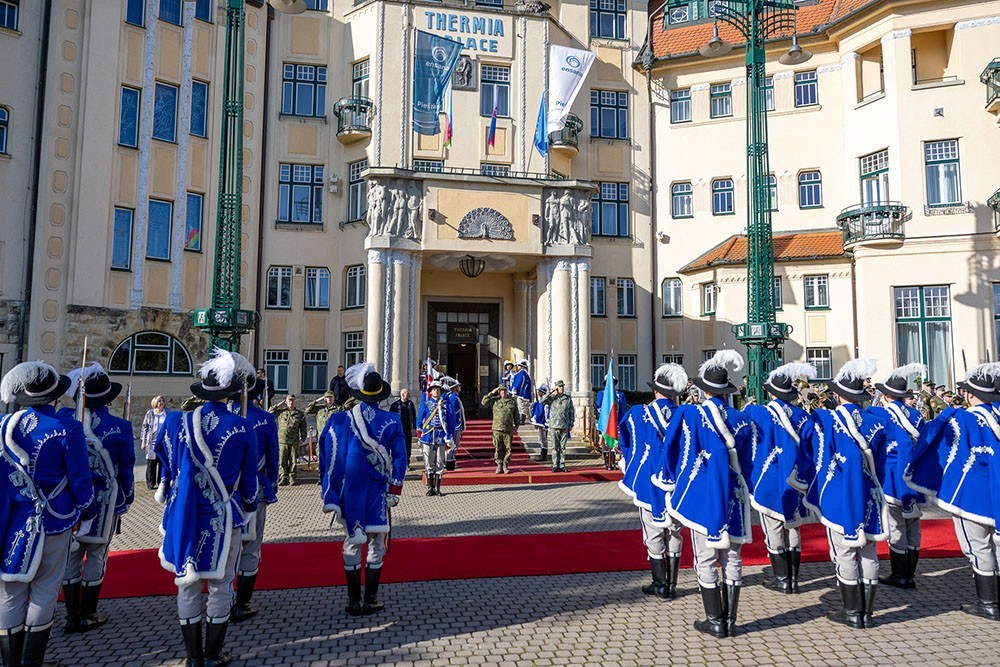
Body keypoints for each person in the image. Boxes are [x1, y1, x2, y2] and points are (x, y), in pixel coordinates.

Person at [155, 348, 259, 667]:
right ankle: (213, 654)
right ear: (230, 393)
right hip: (223, 516)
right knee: (221, 585)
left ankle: (192, 657)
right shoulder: (242, 428)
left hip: (183, 513)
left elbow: (163, 462)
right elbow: (250, 484)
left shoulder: (175, 421)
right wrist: (250, 506)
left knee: (187, 585)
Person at [0, 361, 93, 667]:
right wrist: (86, 507)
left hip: (13, 520)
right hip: (56, 518)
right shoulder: (68, 427)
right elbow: (80, 479)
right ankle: (31, 662)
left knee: (11, 592)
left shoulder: (4, 426)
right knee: (44, 590)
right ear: (54, 396)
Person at [660, 351, 754, 638]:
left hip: (700, 493)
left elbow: (670, 448)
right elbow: (748, 460)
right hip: (734, 495)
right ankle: (731, 620)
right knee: (733, 557)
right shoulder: (742, 419)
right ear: (726, 392)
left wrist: (670, 478)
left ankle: (714, 620)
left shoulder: (689, 413)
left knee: (705, 557)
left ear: (703, 390)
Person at [791, 358, 887, 630]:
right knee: (869, 549)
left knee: (845, 551)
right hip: (870, 491)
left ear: (838, 396)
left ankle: (852, 612)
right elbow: (880, 461)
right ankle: (867, 612)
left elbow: (807, 440)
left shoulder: (827, 421)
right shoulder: (877, 422)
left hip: (838, 492)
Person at [903, 362, 1000, 621]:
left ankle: (988, 603)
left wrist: (947, 414)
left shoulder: (964, 419)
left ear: (970, 394)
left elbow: (934, 436)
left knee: (978, 546)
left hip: (973, 495)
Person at [319, 363, 407, 616]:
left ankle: (353, 601)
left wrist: (330, 487)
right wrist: (396, 491)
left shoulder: (339, 419)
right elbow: (400, 458)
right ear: (380, 395)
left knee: (351, 541)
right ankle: (371, 599)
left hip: (350, 491)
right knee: (376, 542)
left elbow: (327, 455)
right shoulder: (392, 421)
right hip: (378, 492)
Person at [57, 364, 136, 634]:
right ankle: (88, 612)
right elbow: (126, 467)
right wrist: (127, 495)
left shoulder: (65, 420)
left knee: (71, 555)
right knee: (97, 555)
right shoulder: (120, 426)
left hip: (69, 498)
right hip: (104, 497)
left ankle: (71, 614)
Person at [743, 363, 817, 595]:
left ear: (772, 393)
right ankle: (794, 578)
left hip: (767, 476)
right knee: (792, 525)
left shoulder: (758, 412)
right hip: (795, 477)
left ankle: (782, 578)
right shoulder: (803, 416)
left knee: (773, 527)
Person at [619, 363, 688, 600]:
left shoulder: (639, 413)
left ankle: (659, 584)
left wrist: (628, 461)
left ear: (656, 391)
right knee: (675, 531)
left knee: (653, 530)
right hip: (678, 482)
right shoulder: (686, 415)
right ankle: (672, 584)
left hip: (649, 481)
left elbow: (623, 436)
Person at [868, 363, 927, 590]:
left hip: (891, 476)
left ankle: (900, 575)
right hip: (913, 476)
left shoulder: (880, 414)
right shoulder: (916, 415)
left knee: (896, 526)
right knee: (913, 524)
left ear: (886, 394)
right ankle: (910, 574)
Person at [230, 370, 280, 624]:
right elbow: (273, 457)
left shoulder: (225, 418)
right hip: (255, 489)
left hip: (224, 493)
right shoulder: (265, 419)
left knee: (228, 547)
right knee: (251, 545)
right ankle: (242, 603)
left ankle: (223, 600)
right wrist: (273, 484)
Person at [417, 380, 454, 496]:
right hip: (428, 435)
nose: (436, 391)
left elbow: (450, 421)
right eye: (434, 389)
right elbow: (419, 420)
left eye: (438, 389)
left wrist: (450, 436)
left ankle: (437, 488)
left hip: (441, 435)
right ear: (430, 391)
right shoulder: (426, 403)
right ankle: (430, 487)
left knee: (440, 461)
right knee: (428, 460)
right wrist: (419, 435)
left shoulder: (446, 404)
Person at [481, 385, 519, 474]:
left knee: (508, 448)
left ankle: (505, 464)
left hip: (508, 428)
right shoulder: (495, 400)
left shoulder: (512, 401)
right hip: (497, 428)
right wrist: (492, 392)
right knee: (498, 448)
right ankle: (499, 464)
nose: (503, 392)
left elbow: (516, 415)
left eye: (505, 391)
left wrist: (516, 426)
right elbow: (483, 402)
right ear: (499, 392)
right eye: (501, 391)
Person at [272, 394, 307, 486]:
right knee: (282, 460)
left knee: (293, 460)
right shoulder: (281, 412)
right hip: (282, 441)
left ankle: (292, 477)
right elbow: (270, 412)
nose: (291, 402)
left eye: (292, 401)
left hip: (294, 441)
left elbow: (303, 427)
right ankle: (283, 477)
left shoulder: (299, 414)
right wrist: (279, 405)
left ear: (295, 402)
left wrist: (303, 438)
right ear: (286, 402)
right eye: (289, 401)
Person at [542, 380, 575, 473]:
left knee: (562, 447)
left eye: (562, 386)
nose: (561, 388)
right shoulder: (552, 398)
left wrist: (571, 423)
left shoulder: (567, 398)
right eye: (560, 387)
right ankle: (555, 465)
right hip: (553, 426)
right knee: (554, 447)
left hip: (564, 425)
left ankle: (562, 465)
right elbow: (541, 401)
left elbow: (571, 411)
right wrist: (551, 392)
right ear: (556, 388)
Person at [596, 378, 628, 470]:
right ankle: (607, 463)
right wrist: (605, 417)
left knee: (614, 444)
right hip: (606, 423)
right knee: (606, 443)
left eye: (613, 383)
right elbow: (598, 407)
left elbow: (622, 409)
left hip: (616, 423)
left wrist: (621, 422)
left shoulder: (620, 395)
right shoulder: (602, 394)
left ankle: (613, 463)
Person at [141, 396, 168, 490]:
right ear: (155, 403)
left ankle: (161, 482)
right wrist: (143, 441)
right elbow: (145, 427)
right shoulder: (150, 413)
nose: (161, 402)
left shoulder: (166, 413)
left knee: (162, 462)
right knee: (151, 463)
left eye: (163, 401)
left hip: (163, 442)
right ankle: (150, 483)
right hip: (151, 442)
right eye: (159, 401)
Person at [388, 388, 418, 465]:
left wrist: (414, 427)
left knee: (407, 446)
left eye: (407, 393)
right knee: (397, 446)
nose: (407, 395)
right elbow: (391, 417)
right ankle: (396, 462)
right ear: (401, 394)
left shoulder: (410, 404)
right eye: (405, 393)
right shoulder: (395, 405)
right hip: (398, 429)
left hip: (408, 429)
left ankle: (407, 462)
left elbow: (414, 416)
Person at [444, 378, 466, 471]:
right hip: (455, 425)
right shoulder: (453, 397)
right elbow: (452, 413)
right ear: (453, 387)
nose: (460, 387)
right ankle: (449, 464)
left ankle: (449, 462)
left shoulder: (454, 396)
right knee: (452, 446)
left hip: (456, 424)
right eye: (458, 386)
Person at [509, 360, 534, 424]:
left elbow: (519, 382)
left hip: (522, 393)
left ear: (522, 366)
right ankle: (521, 420)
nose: (518, 367)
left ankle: (521, 420)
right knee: (522, 407)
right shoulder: (524, 373)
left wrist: (515, 389)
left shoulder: (522, 373)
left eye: (519, 365)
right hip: (523, 393)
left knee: (522, 406)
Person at [530, 385, 550, 463]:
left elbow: (545, 412)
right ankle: (542, 453)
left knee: (543, 439)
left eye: (540, 391)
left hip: (543, 423)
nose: (538, 393)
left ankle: (544, 455)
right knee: (541, 439)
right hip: (540, 423)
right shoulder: (540, 401)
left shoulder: (545, 402)